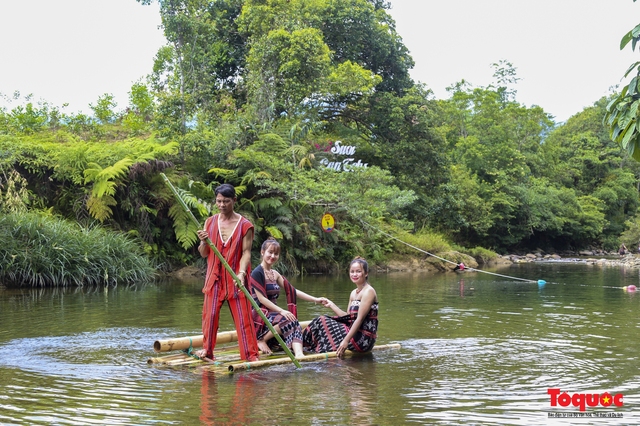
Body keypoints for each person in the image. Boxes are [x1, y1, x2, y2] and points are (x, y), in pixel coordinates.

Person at [195, 183, 259, 362]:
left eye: (226, 201)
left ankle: (250, 355)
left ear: (234, 201)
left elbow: (246, 252)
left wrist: (241, 273)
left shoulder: (245, 225)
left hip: (236, 278)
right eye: (219, 201)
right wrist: (203, 242)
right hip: (214, 278)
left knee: (243, 317)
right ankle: (207, 350)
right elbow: (203, 253)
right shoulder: (210, 222)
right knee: (211, 316)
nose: (222, 205)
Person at [250, 237, 327, 359]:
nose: (273, 256)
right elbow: (261, 300)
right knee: (288, 318)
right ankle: (261, 339)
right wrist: (281, 311)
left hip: (273, 314)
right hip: (260, 314)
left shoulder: (275, 274)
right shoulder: (257, 273)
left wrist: (315, 299)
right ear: (262, 252)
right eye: (270, 252)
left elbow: (292, 291)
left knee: (292, 319)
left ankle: (299, 354)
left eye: (276, 254)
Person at [303, 256, 378, 358]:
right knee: (319, 321)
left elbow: (359, 319)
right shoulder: (353, 293)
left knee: (322, 321)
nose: (354, 274)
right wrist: (332, 305)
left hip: (363, 339)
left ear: (366, 273)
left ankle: (298, 344)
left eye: (358, 271)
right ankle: (298, 344)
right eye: (352, 271)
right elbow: (348, 317)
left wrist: (345, 341)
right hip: (353, 333)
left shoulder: (369, 291)